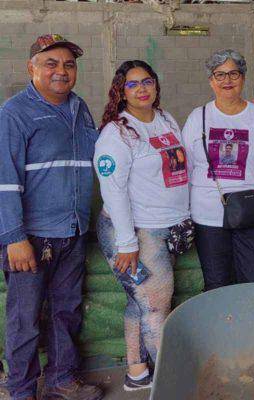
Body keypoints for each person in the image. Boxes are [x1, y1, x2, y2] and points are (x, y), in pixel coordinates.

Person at [0, 34, 103, 400]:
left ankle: (62, 379)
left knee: (66, 312)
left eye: (69, 65)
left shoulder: (79, 107)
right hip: (32, 238)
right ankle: (21, 390)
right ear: (32, 68)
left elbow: (95, 153)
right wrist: (14, 237)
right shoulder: (14, 113)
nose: (61, 71)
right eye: (51, 63)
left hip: (72, 232)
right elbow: (5, 181)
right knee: (25, 320)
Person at [94, 60, 190, 392]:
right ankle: (172, 384)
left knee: (142, 303)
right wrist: (127, 243)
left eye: (147, 81)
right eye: (133, 84)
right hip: (137, 234)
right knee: (155, 309)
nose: (142, 89)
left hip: (166, 229)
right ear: (121, 91)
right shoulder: (117, 132)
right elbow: (113, 189)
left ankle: (137, 371)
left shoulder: (166, 120)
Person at [182, 49, 254, 291]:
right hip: (208, 215)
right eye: (220, 75)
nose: (227, 81)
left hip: (250, 214)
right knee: (216, 282)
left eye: (233, 74)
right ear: (211, 81)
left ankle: (250, 329)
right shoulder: (198, 117)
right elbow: (187, 166)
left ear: (243, 78)